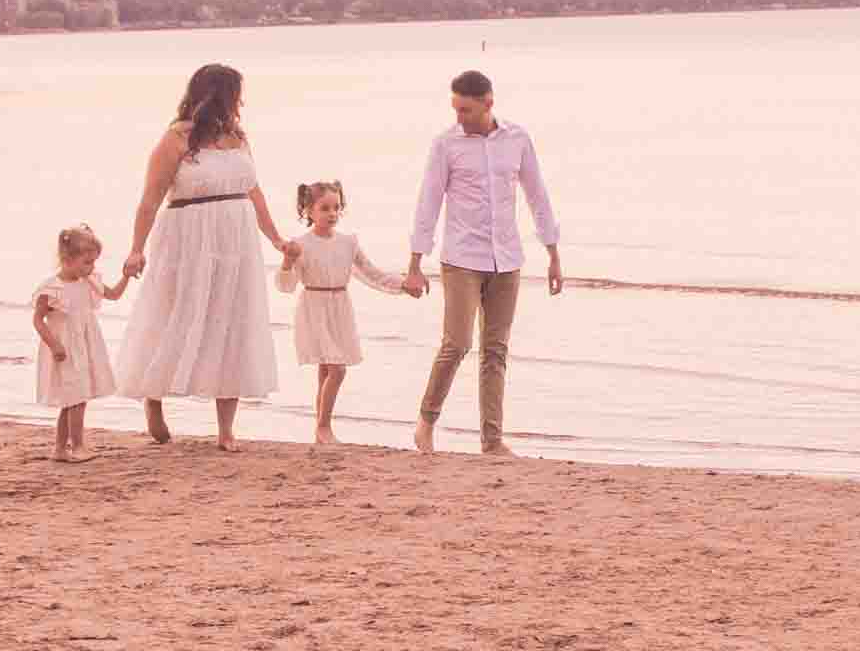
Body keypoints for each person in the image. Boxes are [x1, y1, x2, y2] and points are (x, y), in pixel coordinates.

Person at [110, 63, 289, 446]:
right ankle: (153, 396)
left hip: (236, 239)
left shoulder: (239, 137)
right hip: (187, 237)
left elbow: (254, 191)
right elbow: (149, 201)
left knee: (234, 321)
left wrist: (275, 238)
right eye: (235, 94)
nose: (240, 103)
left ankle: (226, 430)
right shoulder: (176, 138)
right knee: (173, 314)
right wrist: (136, 250)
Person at [402, 68, 561, 455]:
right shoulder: (445, 145)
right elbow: (428, 201)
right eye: (456, 109)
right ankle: (426, 422)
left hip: (506, 259)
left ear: (489, 104)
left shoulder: (518, 139)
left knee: (496, 350)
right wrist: (414, 263)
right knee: (456, 343)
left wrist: (553, 253)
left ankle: (492, 440)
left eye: (467, 110)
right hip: (461, 258)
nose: (460, 117)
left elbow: (537, 195)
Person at [276, 179, 419, 449]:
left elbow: (371, 273)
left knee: (326, 371)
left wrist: (403, 285)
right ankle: (324, 427)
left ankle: (319, 433)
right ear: (309, 211)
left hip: (340, 307)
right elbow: (285, 286)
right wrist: (288, 260)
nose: (332, 213)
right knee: (337, 369)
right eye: (325, 208)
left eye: (336, 208)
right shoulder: (300, 244)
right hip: (314, 308)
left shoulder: (348, 242)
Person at [31, 224, 119, 461]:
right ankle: (77, 447)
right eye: (86, 262)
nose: (91, 268)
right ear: (68, 258)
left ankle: (60, 449)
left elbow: (114, 295)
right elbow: (38, 320)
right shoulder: (52, 288)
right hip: (65, 348)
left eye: (93, 262)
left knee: (74, 399)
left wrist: (128, 276)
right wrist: (54, 345)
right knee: (76, 399)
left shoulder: (89, 281)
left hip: (85, 345)